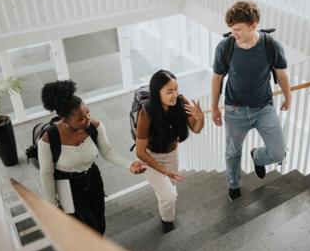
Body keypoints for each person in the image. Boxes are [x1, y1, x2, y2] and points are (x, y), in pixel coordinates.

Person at [38, 80, 147, 235]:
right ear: (65, 119)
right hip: (69, 187)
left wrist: (129, 164)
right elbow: (46, 173)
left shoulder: (94, 127)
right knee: (90, 228)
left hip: (93, 179)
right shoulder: (48, 139)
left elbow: (107, 151)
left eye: (88, 113)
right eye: (81, 118)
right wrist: (53, 205)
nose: (88, 119)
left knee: (100, 223)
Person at [211, 1, 292, 201]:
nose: (233, 33)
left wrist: (288, 98)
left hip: (263, 108)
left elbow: (282, 75)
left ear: (253, 25)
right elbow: (217, 78)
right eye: (231, 29)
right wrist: (214, 108)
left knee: (279, 153)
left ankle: (258, 156)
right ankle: (234, 185)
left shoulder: (271, 46)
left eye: (237, 29)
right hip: (234, 111)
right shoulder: (225, 47)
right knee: (232, 152)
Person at [135, 70, 204, 233]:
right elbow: (140, 152)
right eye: (169, 91)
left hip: (172, 155)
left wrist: (200, 118)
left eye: (176, 89)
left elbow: (196, 129)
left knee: (169, 190)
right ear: (157, 93)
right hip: (150, 158)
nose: (175, 95)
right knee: (170, 196)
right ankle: (167, 220)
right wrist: (165, 171)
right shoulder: (146, 113)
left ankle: (164, 202)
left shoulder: (181, 102)